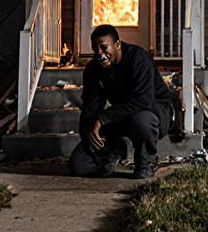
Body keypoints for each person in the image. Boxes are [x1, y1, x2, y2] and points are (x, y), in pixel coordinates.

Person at [69, 25, 175, 179]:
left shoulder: (137, 57)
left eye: (104, 48)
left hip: (154, 110)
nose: (100, 54)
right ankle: (113, 151)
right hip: (121, 113)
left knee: (141, 120)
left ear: (117, 45)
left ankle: (146, 162)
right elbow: (89, 108)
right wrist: (89, 135)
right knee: (78, 164)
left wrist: (102, 118)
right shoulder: (93, 69)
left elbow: (143, 100)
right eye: (95, 49)